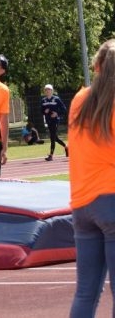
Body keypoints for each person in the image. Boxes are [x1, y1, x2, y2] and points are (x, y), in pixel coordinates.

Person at [67, 39, 115, 317]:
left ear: (96, 66)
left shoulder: (79, 99)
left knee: (86, 292)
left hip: (82, 202)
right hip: (110, 198)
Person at [40, 83, 69, 161]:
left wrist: (57, 113)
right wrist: (45, 111)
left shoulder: (56, 99)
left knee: (52, 138)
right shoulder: (43, 100)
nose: (47, 91)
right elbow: (41, 111)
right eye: (46, 90)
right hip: (48, 120)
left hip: (55, 120)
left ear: (52, 91)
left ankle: (51, 155)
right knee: (54, 137)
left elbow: (64, 109)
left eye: (49, 89)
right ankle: (67, 147)